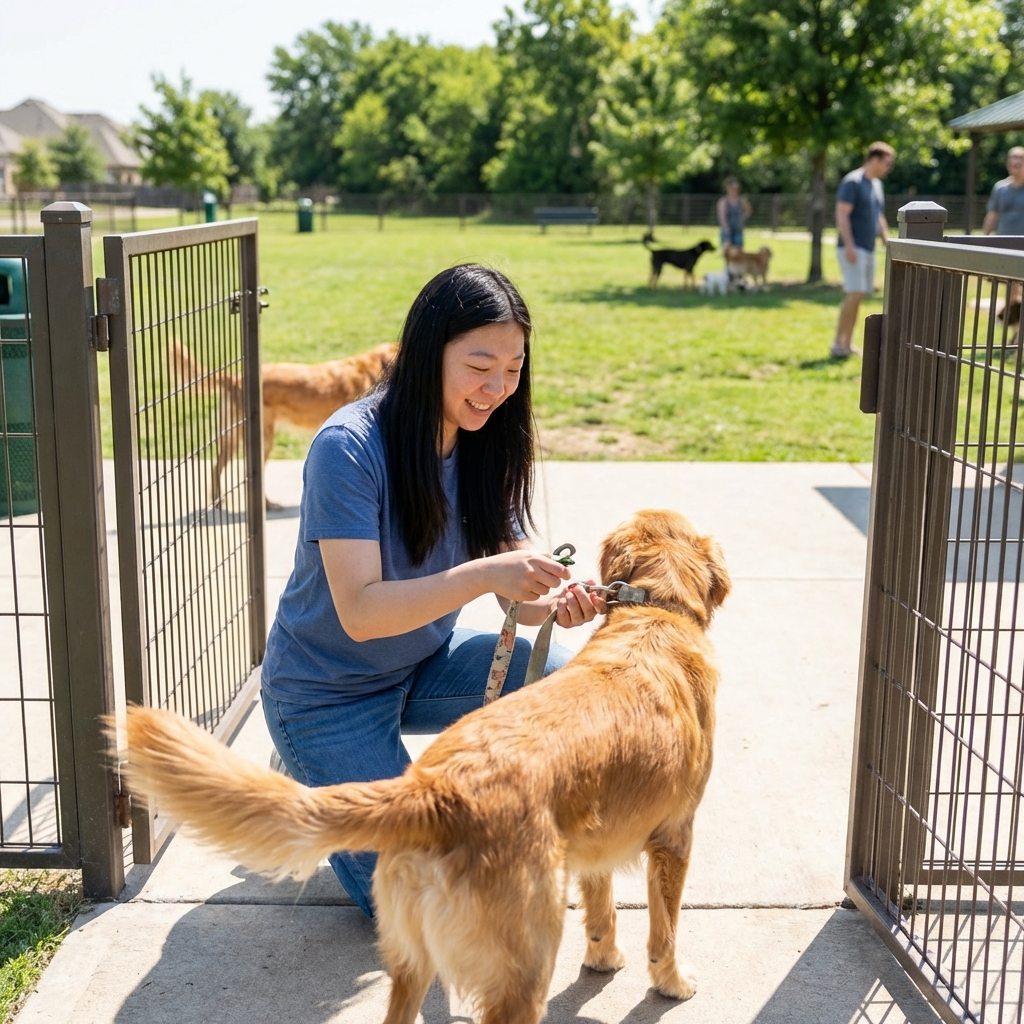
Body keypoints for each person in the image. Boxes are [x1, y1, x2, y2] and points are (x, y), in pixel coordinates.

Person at [260, 264, 606, 919]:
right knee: (424, 906)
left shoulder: (483, 439)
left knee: (561, 686)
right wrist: (483, 575)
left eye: (514, 368)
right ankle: (313, 755)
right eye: (481, 365)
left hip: (423, 662)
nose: (498, 388)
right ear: (428, 351)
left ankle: (423, 796)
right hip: (325, 693)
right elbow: (360, 613)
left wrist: (554, 599)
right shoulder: (348, 447)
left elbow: (519, 602)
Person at [830, 142, 895, 359]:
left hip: (868, 248)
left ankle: (847, 343)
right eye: (887, 163)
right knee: (854, 293)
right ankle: (837, 344)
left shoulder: (876, 185)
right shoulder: (853, 182)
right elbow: (842, 214)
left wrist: (886, 241)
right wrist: (849, 245)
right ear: (874, 159)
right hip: (853, 247)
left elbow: (878, 216)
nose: (888, 168)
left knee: (859, 295)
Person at [982, 146, 1024, 326]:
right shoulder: (1000, 188)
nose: (1015, 162)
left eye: (1020, 159)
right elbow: (993, 214)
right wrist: (983, 239)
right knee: (1009, 283)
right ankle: (1012, 317)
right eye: (1012, 159)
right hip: (1004, 242)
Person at [717, 176, 752, 249]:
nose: (735, 191)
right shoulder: (723, 202)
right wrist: (727, 232)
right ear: (728, 189)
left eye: (737, 189)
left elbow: (748, 211)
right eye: (733, 189)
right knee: (728, 254)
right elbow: (722, 218)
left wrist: (743, 217)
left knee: (739, 254)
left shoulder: (742, 201)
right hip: (727, 232)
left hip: (738, 231)